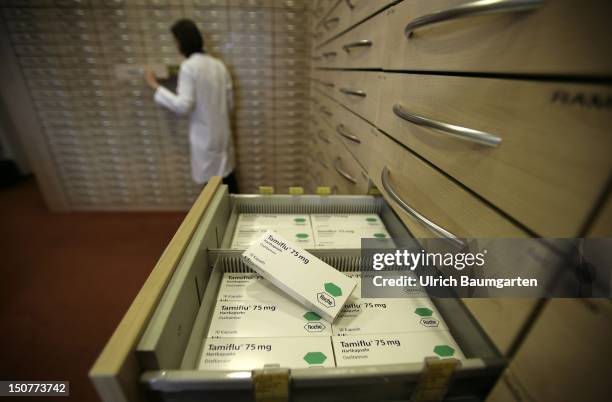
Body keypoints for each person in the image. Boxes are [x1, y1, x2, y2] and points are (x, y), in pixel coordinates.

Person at [144, 19, 238, 193]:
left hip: (204, 137)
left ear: (181, 42)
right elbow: (230, 103)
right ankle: (233, 218)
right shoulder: (219, 65)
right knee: (228, 183)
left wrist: (155, 85)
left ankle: (216, 219)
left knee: (211, 191)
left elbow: (183, 106)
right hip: (223, 135)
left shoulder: (189, 67)